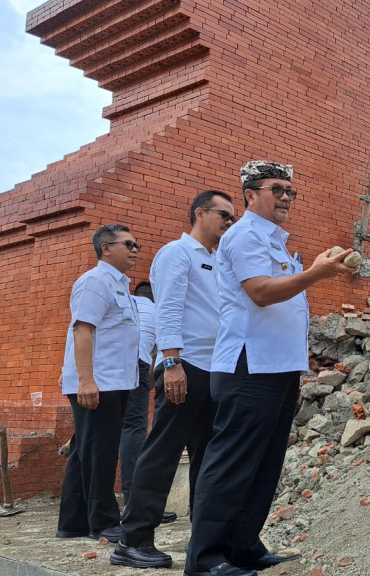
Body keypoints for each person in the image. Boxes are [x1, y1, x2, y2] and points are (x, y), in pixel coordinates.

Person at [184, 162, 352, 576]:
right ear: (249, 194)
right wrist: (316, 274)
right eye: (276, 189)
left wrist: (309, 268)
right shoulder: (243, 236)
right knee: (232, 462)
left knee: (263, 463)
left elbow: (284, 296)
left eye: (291, 192)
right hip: (247, 365)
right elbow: (259, 293)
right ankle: (205, 559)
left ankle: (243, 547)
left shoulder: (275, 243)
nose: (285, 198)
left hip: (278, 367)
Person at [112, 190, 235, 569]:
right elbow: (168, 309)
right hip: (185, 366)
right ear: (200, 213)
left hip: (215, 370)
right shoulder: (176, 254)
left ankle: (207, 539)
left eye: (232, 218)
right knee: (162, 453)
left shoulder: (216, 260)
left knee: (209, 457)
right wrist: (171, 362)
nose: (229, 223)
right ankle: (132, 541)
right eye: (224, 215)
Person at [56, 224, 141, 544]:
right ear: (106, 248)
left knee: (84, 452)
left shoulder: (119, 285)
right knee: (100, 454)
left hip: (114, 382)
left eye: (137, 245)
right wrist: (86, 380)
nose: (135, 249)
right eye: (128, 244)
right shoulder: (95, 282)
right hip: (98, 384)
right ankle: (104, 523)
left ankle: (73, 523)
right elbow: (82, 331)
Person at [120, 281, 154, 508]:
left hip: (107, 365)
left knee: (100, 428)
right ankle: (134, 501)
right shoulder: (158, 310)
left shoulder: (126, 302)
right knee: (133, 429)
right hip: (137, 364)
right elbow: (156, 359)